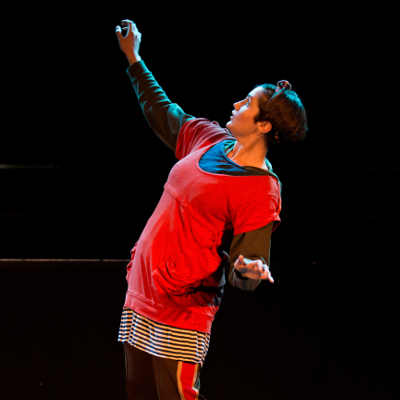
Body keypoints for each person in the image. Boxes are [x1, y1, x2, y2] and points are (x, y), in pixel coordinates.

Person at [115, 19, 307, 400]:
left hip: (180, 310)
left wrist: (247, 270)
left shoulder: (261, 188)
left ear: (263, 125)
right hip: (143, 291)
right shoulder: (209, 138)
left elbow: (248, 263)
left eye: (247, 103)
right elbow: (163, 112)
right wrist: (134, 59)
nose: (236, 105)